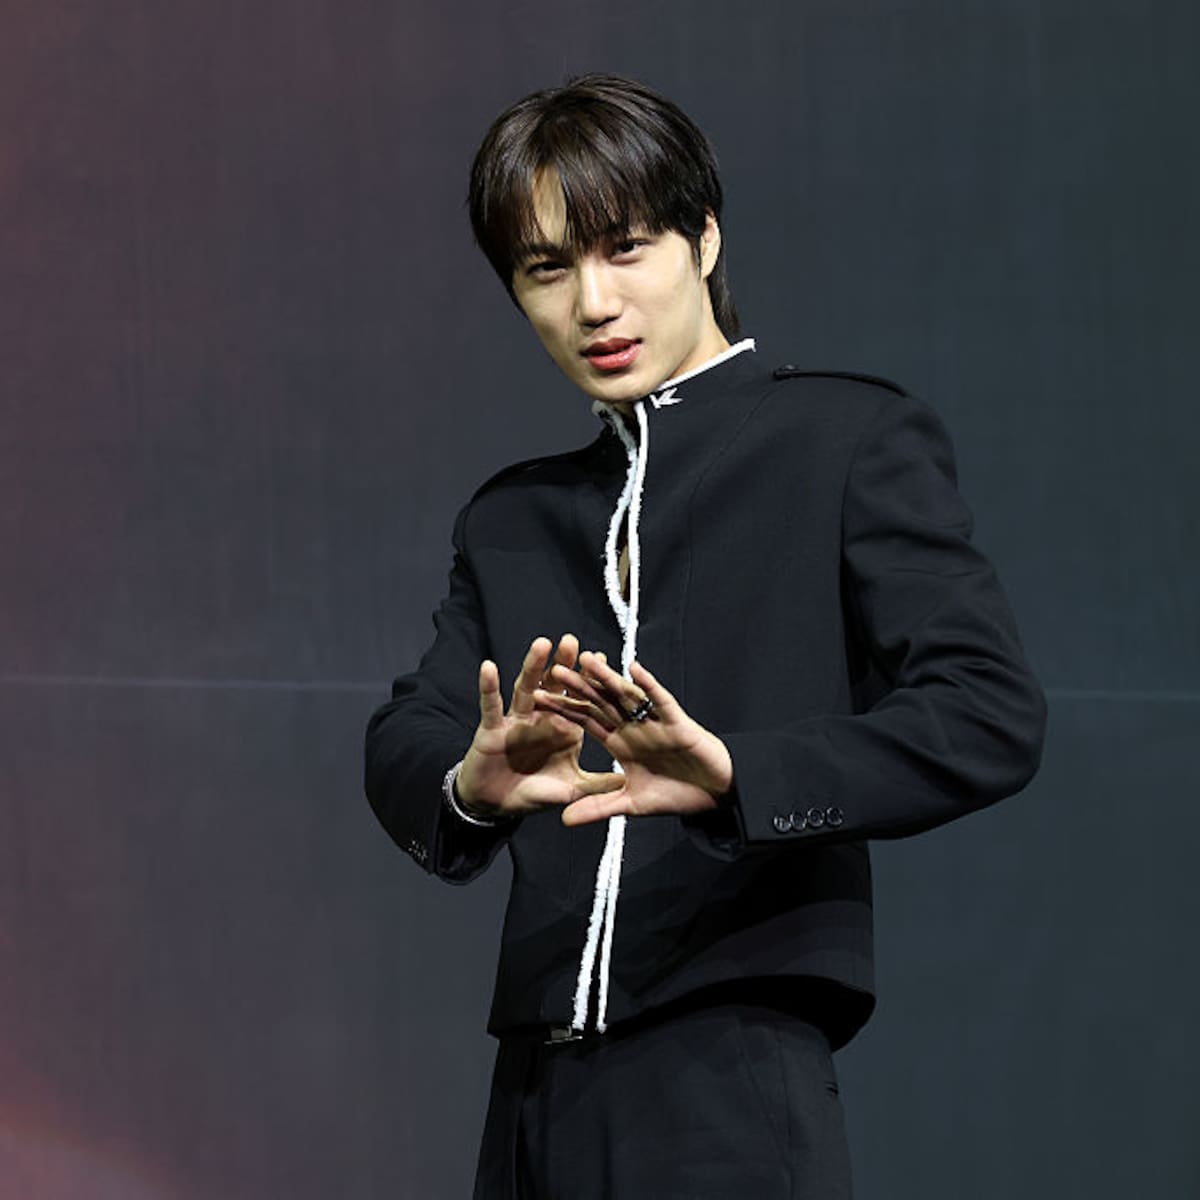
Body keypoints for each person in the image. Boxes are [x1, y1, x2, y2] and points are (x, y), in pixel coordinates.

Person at [364, 72, 1046, 1199]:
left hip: (733, 1066)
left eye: (624, 249)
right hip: (534, 1090)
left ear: (705, 239)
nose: (593, 303)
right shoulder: (513, 518)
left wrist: (739, 775)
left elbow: (987, 712)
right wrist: (470, 787)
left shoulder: (842, 439)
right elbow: (409, 733)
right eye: (547, 269)